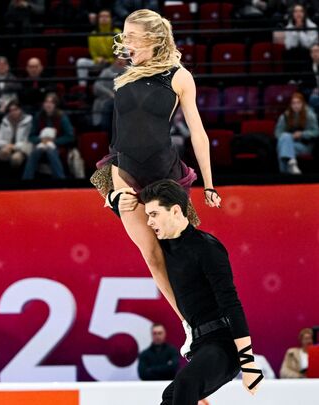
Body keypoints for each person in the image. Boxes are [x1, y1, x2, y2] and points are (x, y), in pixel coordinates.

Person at [90, 9, 221, 356]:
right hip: (126, 174)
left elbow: (198, 132)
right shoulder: (125, 77)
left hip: (164, 173)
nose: (125, 43)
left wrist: (209, 183)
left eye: (131, 36)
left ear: (152, 38)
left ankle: (208, 316)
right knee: (151, 254)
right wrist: (117, 186)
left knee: (177, 252)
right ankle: (189, 324)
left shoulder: (179, 76)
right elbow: (117, 141)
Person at [121, 179, 263, 404]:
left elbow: (231, 303)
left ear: (176, 210)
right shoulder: (165, 246)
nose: (149, 222)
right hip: (200, 343)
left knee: (186, 384)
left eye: (154, 214)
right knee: (169, 397)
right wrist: (113, 199)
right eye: (148, 215)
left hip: (224, 345)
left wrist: (248, 362)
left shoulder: (207, 248)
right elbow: (131, 223)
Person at [22, 92, 74, 180]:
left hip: (57, 145)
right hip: (41, 143)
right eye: (46, 102)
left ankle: (61, 180)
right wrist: (40, 140)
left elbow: (70, 136)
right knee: (34, 152)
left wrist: (54, 141)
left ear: (55, 105)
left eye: (51, 102)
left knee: (50, 151)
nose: (48, 104)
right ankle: (27, 180)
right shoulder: (38, 116)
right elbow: (31, 136)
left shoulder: (62, 117)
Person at [274, 92, 318, 174]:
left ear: (303, 104)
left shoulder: (310, 115)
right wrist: (290, 138)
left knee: (282, 146)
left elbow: (316, 132)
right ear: (290, 105)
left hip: (304, 146)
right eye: (293, 103)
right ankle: (292, 162)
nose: (296, 105)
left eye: (298, 103)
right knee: (285, 137)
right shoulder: (285, 116)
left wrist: (302, 134)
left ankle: (284, 174)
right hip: (289, 144)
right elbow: (277, 133)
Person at [76, 9, 120, 87]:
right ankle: (82, 88)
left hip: (113, 63)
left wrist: (109, 60)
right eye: (101, 16)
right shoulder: (93, 34)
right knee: (81, 62)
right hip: (99, 62)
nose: (104, 18)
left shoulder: (117, 32)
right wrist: (97, 59)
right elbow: (93, 53)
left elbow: (120, 54)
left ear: (111, 19)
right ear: (98, 19)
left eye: (107, 16)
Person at [0, 99, 33, 171]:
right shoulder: (4, 122)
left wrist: (14, 146)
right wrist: (7, 145)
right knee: (3, 153)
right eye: (11, 110)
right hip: (7, 147)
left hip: (21, 149)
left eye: (15, 109)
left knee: (16, 158)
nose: (13, 112)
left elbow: (28, 141)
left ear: (20, 109)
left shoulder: (28, 121)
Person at [92, 57, 126, 129]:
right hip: (107, 99)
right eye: (118, 59)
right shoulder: (106, 71)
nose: (120, 61)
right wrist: (109, 93)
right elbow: (97, 85)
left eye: (123, 59)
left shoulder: (129, 73)